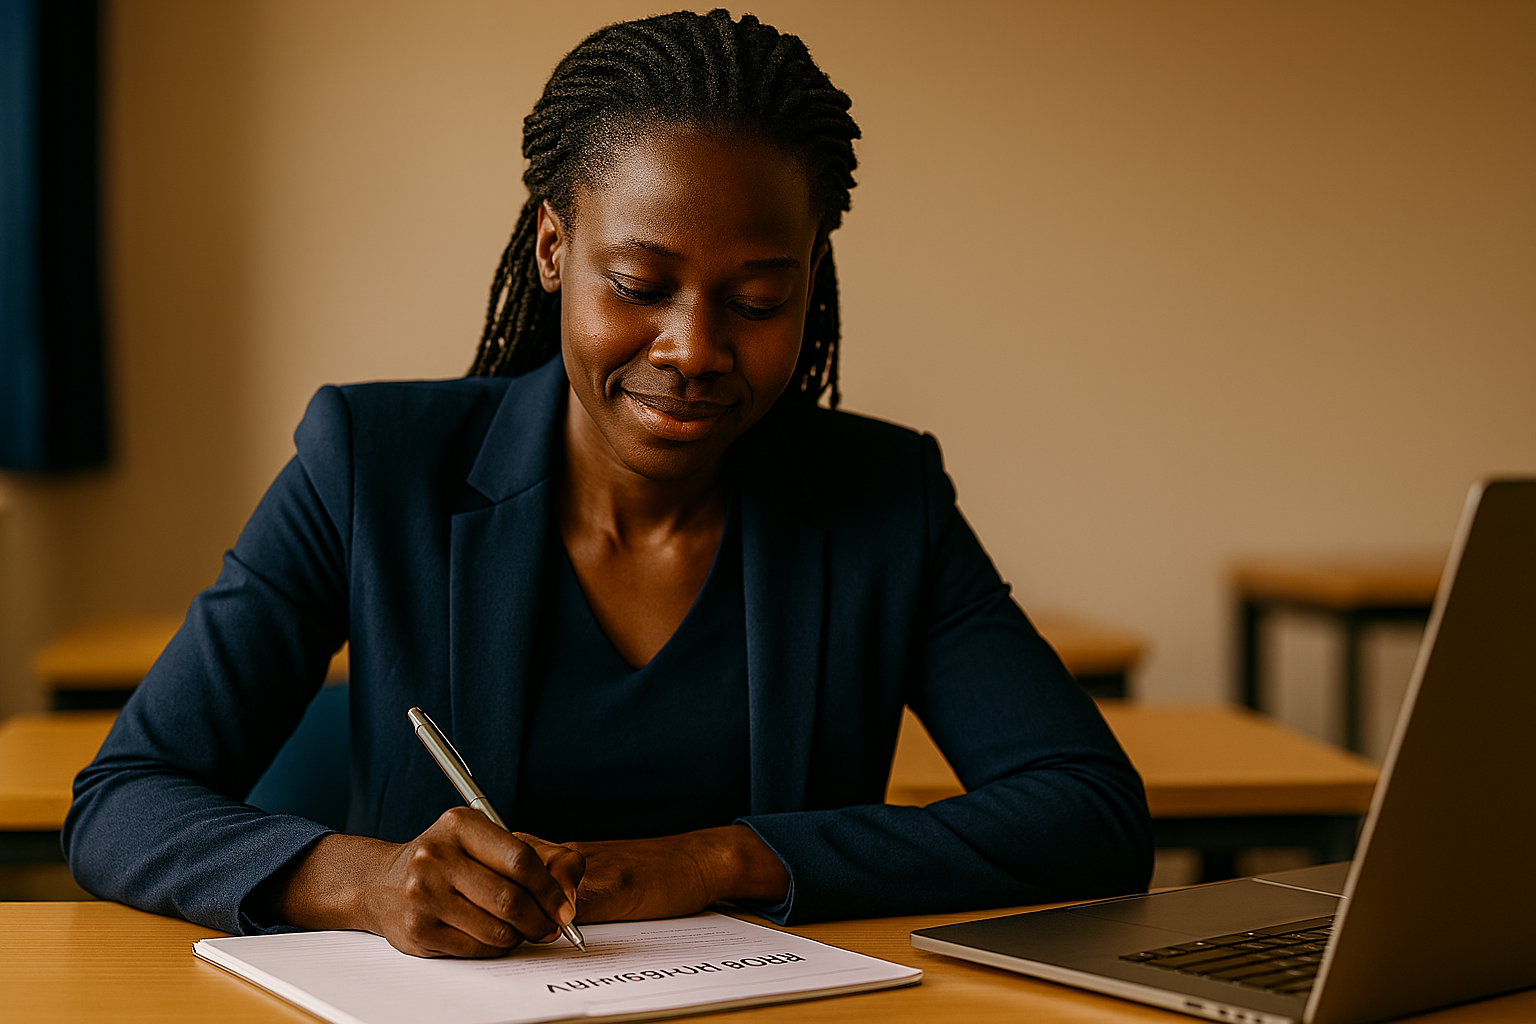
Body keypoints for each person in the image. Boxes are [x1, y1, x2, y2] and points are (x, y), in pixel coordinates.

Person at [64, 9, 1152, 958]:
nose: (693, 347)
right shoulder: (372, 461)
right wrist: (367, 880)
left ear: (811, 282)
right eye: (640, 283)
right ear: (553, 247)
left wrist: (722, 858)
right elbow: (122, 802)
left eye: (761, 300)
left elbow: (1089, 813)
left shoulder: (882, 497)